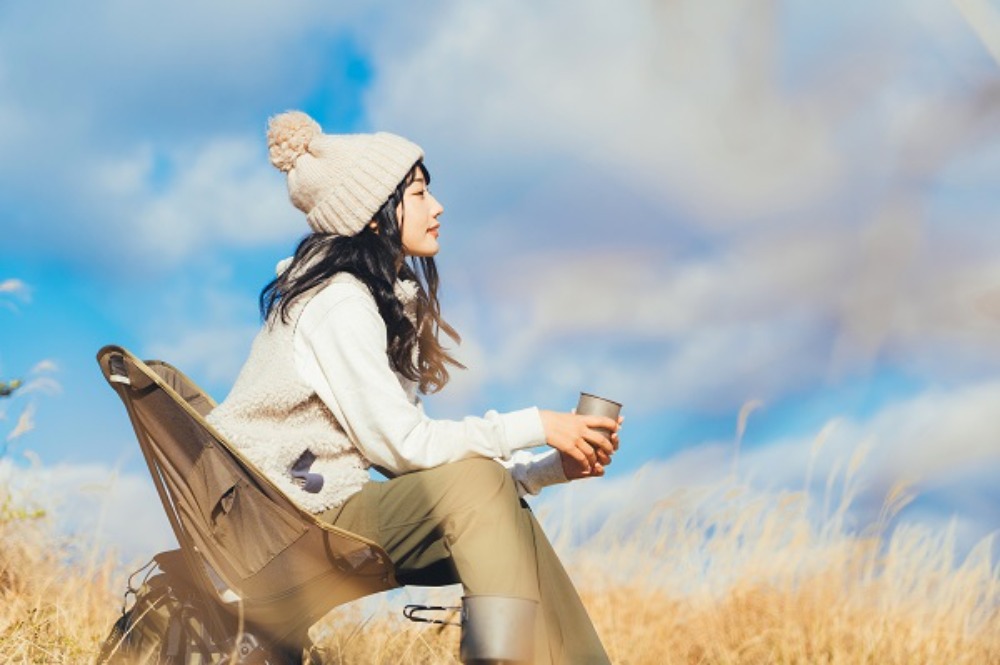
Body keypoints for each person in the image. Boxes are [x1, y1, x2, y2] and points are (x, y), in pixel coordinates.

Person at [206, 110, 621, 664]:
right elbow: (406, 449)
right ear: (375, 215)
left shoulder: (370, 303)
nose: (438, 206)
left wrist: (547, 469)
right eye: (420, 193)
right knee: (476, 483)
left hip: (312, 518)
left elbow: (423, 467)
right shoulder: (337, 304)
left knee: (490, 493)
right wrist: (539, 425)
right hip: (282, 529)